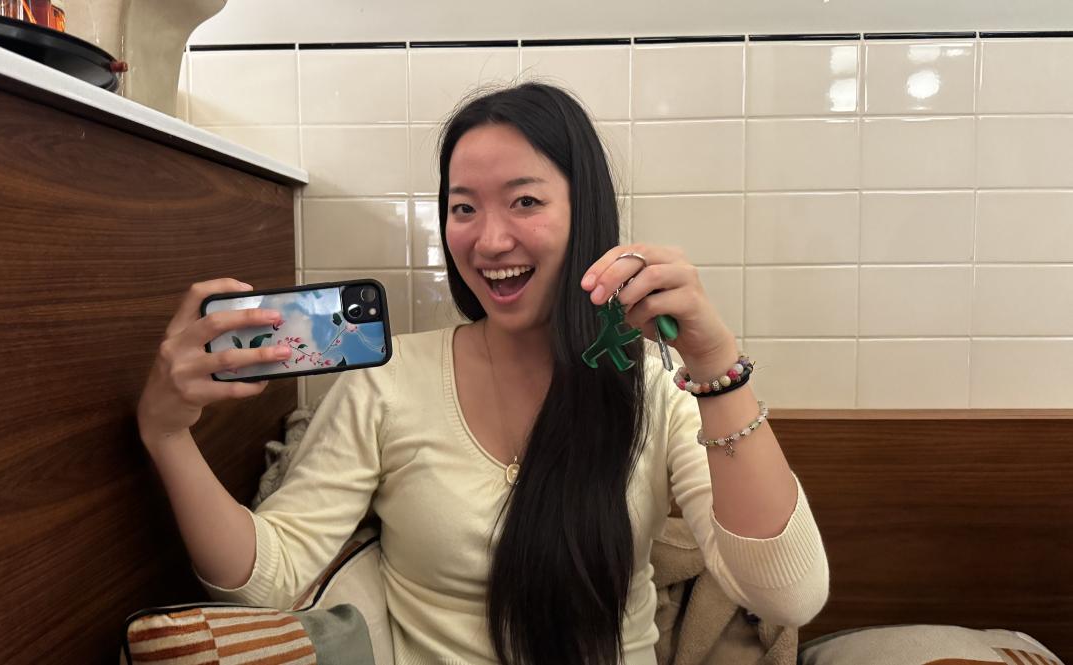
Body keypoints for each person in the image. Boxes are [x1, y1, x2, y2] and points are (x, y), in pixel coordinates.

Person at [136, 82, 829, 665]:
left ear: (584, 212)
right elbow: (271, 575)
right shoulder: (389, 381)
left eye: (525, 201)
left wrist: (714, 366)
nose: (489, 239)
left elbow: (787, 596)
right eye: (464, 207)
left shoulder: (648, 384)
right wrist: (167, 433)